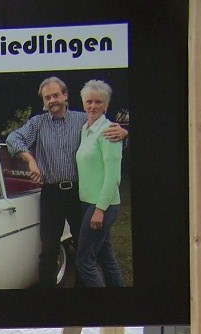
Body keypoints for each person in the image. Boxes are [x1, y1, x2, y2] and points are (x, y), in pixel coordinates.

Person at [6, 76, 127, 286]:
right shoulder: (38, 123)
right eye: (47, 97)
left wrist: (124, 133)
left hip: (79, 194)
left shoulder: (83, 119)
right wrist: (30, 160)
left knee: (83, 247)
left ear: (65, 96)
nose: (52, 100)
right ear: (43, 101)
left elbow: (109, 140)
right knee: (49, 249)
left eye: (55, 95)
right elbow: (12, 139)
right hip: (51, 194)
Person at [74, 80, 124, 288]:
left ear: (106, 106)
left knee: (84, 260)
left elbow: (113, 176)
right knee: (105, 255)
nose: (93, 106)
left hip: (101, 205)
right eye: (89, 102)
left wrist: (100, 209)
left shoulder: (109, 131)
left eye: (98, 102)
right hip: (89, 203)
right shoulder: (86, 129)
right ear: (83, 104)